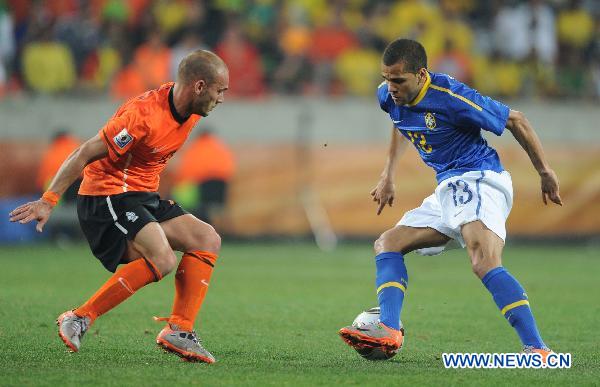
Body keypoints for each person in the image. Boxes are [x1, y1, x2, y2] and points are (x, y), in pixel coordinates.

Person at [338, 39, 562, 360]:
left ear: (421, 74)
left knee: (483, 261)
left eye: (398, 80)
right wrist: (388, 174)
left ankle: (538, 349)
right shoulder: (388, 96)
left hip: (479, 178)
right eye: (386, 79)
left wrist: (545, 171)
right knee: (388, 243)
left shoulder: (451, 98)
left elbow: (517, 120)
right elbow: (401, 122)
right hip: (447, 188)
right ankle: (389, 329)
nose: (391, 88)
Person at [9, 50, 229, 364]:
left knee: (207, 239)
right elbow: (85, 152)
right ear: (198, 86)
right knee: (162, 258)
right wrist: (49, 200)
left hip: (141, 196)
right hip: (107, 195)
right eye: (220, 90)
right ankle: (81, 317)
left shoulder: (190, 110)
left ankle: (180, 330)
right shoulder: (144, 116)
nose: (222, 98)